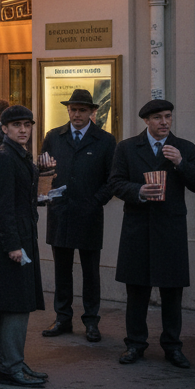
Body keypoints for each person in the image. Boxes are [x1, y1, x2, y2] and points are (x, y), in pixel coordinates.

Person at [108, 99, 195, 368]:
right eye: (158, 118)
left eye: (168, 117)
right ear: (146, 121)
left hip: (170, 230)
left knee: (172, 292)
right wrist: (138, 191)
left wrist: (181, 164)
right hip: (138, 229)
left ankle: (172, 346)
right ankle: (135, 344)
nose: (164, 122)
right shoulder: (127, 148)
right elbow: (115, 183)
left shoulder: (183, 148)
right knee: (137, 291)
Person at [39, 88, 117, 343]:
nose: (76, 114)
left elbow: (112, 179)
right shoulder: (54, 137)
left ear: (92, 112)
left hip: (89, 213)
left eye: (82, 110)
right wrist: (47, 194)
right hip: (60, 212)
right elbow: (43, 172)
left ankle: (91, 321)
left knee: (90, 272)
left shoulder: (105, 141)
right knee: (62, 270)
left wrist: (96, 202)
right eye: (72, 109)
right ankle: (62, 317)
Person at [0, 105, 47, 386]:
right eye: (17, 125)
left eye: (27, 124)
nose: (23, 130)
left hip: (23, 237)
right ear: (5, 129)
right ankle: (10, 367)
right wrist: (12, 245)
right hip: (13, 243)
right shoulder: (4, 157)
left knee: (21, 304)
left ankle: (16, 362)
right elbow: (2, 207)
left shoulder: (18, 155)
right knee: (15, 305)